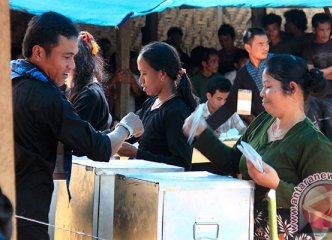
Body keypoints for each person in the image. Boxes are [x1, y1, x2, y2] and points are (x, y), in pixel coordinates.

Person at [11, 11, 144, 240]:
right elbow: (100, 148)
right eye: (66, 57)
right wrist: (126, 128)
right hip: (25, 216)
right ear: (38, 52)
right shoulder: (47, 97)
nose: (71, 65)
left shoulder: (10, 77)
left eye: (73, 57)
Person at [183, 54, 332, 239]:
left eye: (268, 86)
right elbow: (232, 162)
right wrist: (202, 133)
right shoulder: (262, 122)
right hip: (245, 227)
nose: (262, 93)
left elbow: (322, 204)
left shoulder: (315, 143)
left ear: (292, 89)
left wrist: (276, 184)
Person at [118, 42, 198, 170]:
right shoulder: (151, 103)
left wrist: (137, 153)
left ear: (162, 74)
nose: (140, 80)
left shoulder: (176, 112)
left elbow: (182, 163)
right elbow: (131, 133)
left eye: (144, 73)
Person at [206, 27, 270, 127]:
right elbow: (234, 106)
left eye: (267, 43)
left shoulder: (277, 63)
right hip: (266, 126)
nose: (266, 48)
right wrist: (204, 128)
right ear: (248, 48)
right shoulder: (243, 75)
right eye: (261, 44)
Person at [302, 13, 332, 148]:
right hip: (313, 98)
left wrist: (320, 73)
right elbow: (311, 74)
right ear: (314, 29)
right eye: (321, 29)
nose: (325, 33)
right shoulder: (308, 48)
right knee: (315, 134)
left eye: (328, 29)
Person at [67, 31, 112, 130]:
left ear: (77, 63)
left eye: (68, 58)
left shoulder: (90, 94)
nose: (66, 65)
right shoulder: (83, 88)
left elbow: (74, 136)